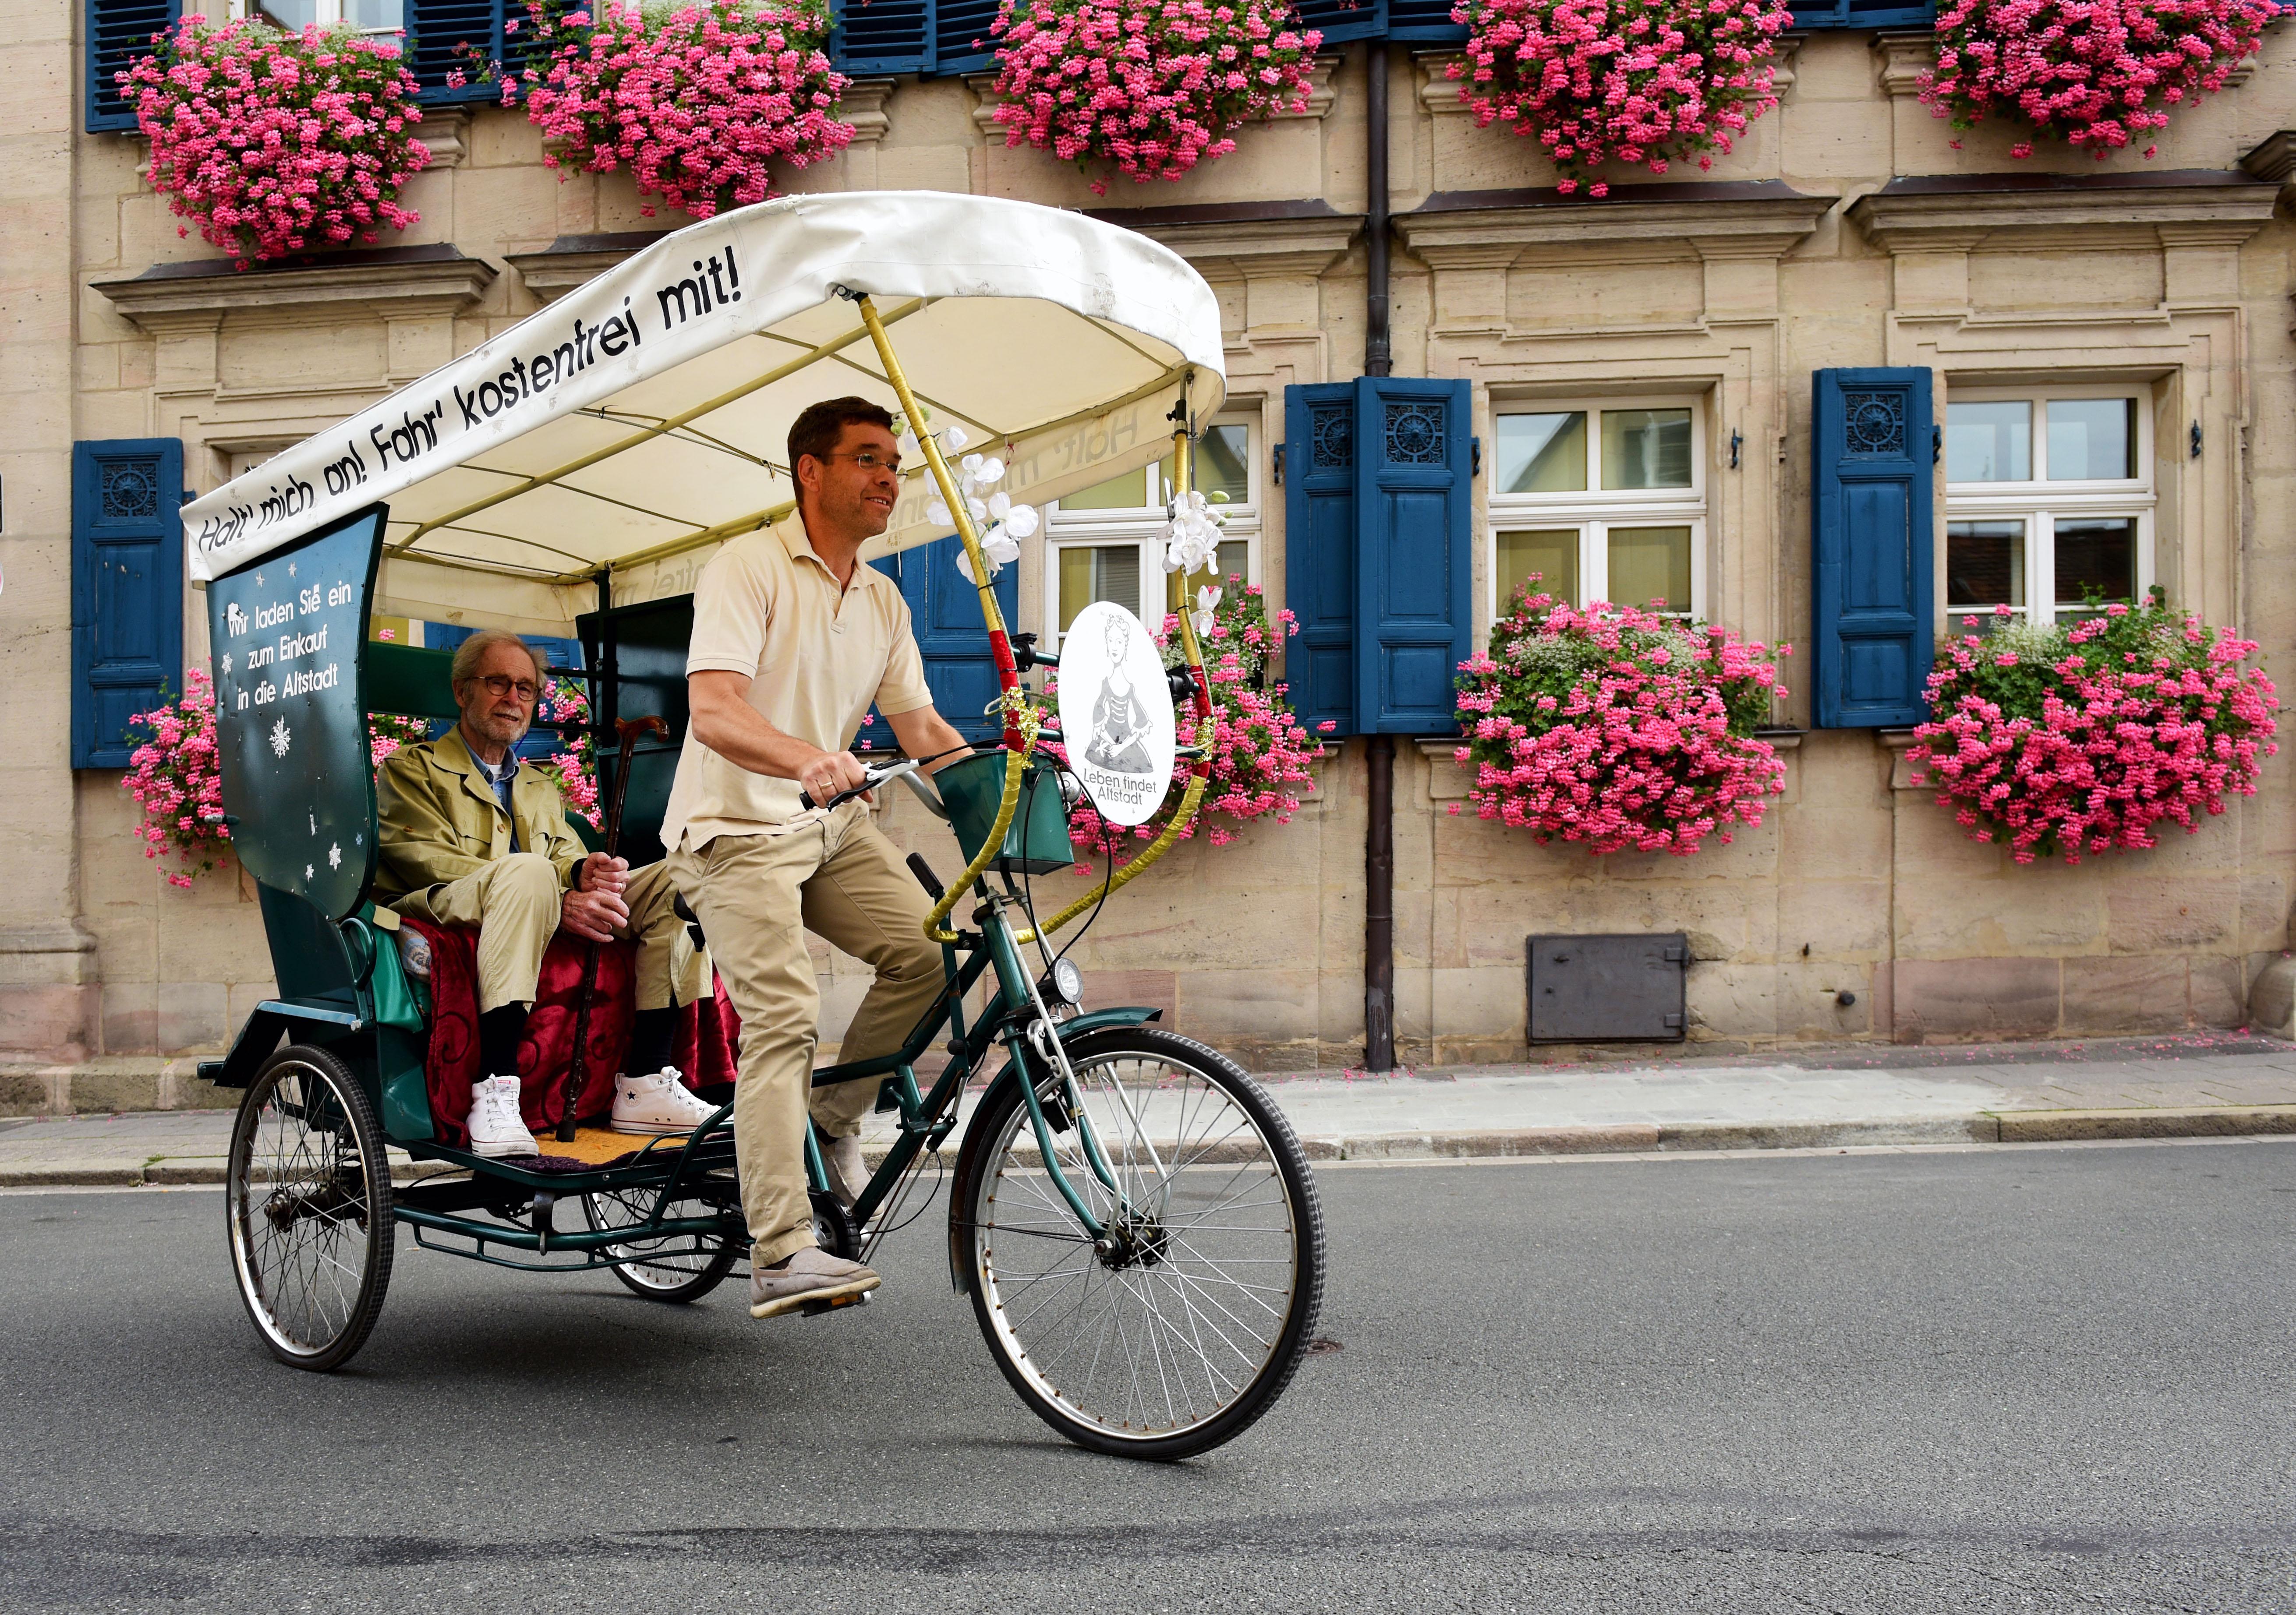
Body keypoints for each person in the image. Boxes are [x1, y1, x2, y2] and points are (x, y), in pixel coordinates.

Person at [663, 396, 974, 1320]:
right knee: (788, 1013)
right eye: (869, 459)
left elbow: (921, 728)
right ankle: (783, 1247)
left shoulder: (880, 597)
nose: (889, 478)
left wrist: (1020, 787)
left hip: (825, 823)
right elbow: (714, 709)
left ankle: (833, 1125)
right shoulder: (747, 566)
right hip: (732, 829)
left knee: (928, 955)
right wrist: (807, 758)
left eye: (895, 464)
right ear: (811, 470)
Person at [375, 629, 717, 1157]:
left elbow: (559, 854)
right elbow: (421, 858)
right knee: (527, 873)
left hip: (534, 890)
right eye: (498, 683)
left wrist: (586, 870)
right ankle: (495, 1089)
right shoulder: (411, 769)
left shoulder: (537, 784)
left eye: (527, 689)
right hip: (444, 904)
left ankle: (646, 1080)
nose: (513, 698)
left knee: (683, 874)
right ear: (462, 691)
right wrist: (551, 892)